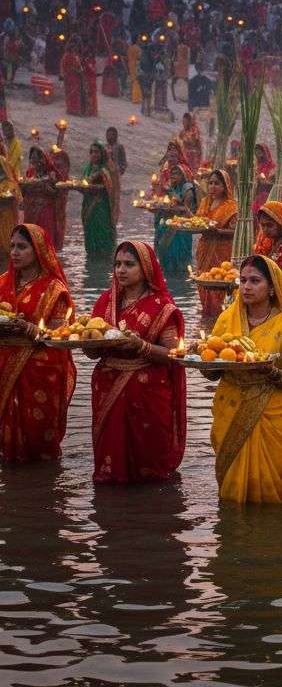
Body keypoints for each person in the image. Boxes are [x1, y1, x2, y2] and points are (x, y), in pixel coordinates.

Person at [209, 254, 282, 504]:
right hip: (231, 407)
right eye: (242, 280)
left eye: (255, 281)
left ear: (273, 289)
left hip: (273, 412)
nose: (246, 286)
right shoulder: (226, 320)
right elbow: (213, 368)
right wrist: (205, 365)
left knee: (274, 497)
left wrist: (271, 372)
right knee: (232, 496)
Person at [89, 241, 187, 483]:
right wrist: (88, 344)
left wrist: (140, 346)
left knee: (149, 467)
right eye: (117, 264)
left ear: (145, 269)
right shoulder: (106, 302)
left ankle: (149, 513)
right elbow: (92, 351)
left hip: (148, 392)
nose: (121, 270)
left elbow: (174, 354)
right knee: (110, 465)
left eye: (129, 265)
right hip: (107, 385)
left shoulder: (162, 306)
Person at [0, 224, 76, 463]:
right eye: (12, 246)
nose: (14, 253)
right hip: (4, 364)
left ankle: (40, 488)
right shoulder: (2, 283)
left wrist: (28, 328)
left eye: (22, 247)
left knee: (37, 446)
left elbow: (59, 335)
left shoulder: (55, 290)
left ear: (39, 250)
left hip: (39, 371)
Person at [194, 168, 238, 316]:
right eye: (210, 183)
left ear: (225, 186)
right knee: (204, 281)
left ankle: (221, 316)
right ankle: (207, 314)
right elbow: (198, 222)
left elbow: (235, 232)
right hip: (204, 248)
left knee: (220, 282)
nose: (212, 186)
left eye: (217, 183)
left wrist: (218, 232)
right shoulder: (205, 202)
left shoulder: (231, 206)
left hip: (221, 251)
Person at [155, 163, 197, 276]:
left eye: (176, 173)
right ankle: (167, 271)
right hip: (169, 222)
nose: (173, 175)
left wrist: (171, 205)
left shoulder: (187, 188)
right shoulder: (173, 187)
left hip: (181, 225)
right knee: (166, 252)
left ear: (183, 175)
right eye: (172, 173)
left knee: (179, 254)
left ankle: (182, 273)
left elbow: (186, 208)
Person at [81, 141, 118, 257]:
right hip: (88, 206)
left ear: (102, 154)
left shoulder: (107, 169)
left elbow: (112, 189)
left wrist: (96, 185)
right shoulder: (88, 168)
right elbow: (83, 184)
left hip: (101, 207)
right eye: (91, 152)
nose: (93, 154)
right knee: (90, 231)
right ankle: (92, 256)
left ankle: (104, 259)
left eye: (96, 152)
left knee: (101, 232)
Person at [20, 146, 62, 248]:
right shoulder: (30, 173)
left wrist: (43, 185)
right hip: (30, 211)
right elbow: (23, 192)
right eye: (32, 158)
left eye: (37, 158)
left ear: (43, 159)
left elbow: (56, 193)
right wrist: (24, 186)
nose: (34, 161)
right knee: (31, 241)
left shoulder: (51, 174)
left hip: (45, 209)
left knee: (44, 240)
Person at [254, 201, 282, 269]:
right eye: (263, 225)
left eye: (269, 225)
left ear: (281, 223)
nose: (265, 229)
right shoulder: (272, 241)